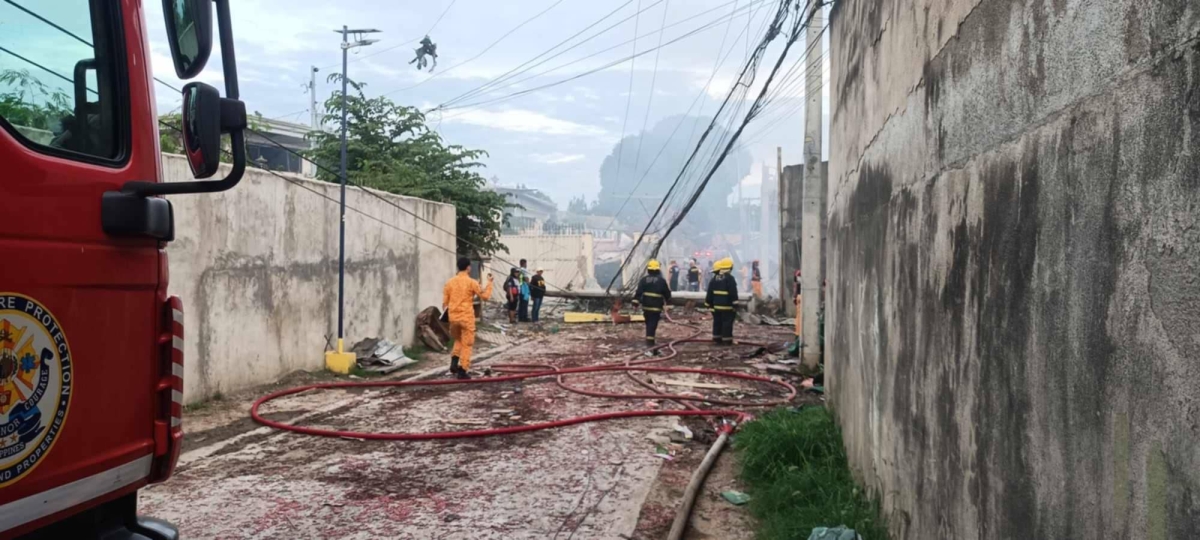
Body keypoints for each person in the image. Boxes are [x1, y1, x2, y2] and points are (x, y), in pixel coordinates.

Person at [442, 257, 493, 379]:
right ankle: (463, 369)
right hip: (466, 318)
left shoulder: (449, 282)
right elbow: (485, 296)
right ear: (468, 267)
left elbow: (444, 303)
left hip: (453, 318)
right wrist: (490, 283)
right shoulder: (472, 282)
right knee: (467, 344)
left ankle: (454, 363)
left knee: (458, 340)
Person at [633, 260, 672, 349]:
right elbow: (667, 293)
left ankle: (650, 340)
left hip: (646, 306)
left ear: (648, 270)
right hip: (656, 307)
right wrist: (669, 303)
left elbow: (638, 292)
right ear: (658, 270)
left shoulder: (644, 280)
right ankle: (650, 343)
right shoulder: (661, 281)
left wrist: (635, 303)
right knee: (652, 324)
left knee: (648, 323)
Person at [705, 257, 738, 344]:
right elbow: (733, 292)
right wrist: (735, 304)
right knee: (727, 323)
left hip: (717, 306)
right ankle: (727, 340)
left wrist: (708, 303)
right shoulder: (730, 278)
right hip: (727, 306)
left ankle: (717, 338)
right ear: (730, 268)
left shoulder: (714, 278)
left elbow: (709, 292)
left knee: (717, 322)